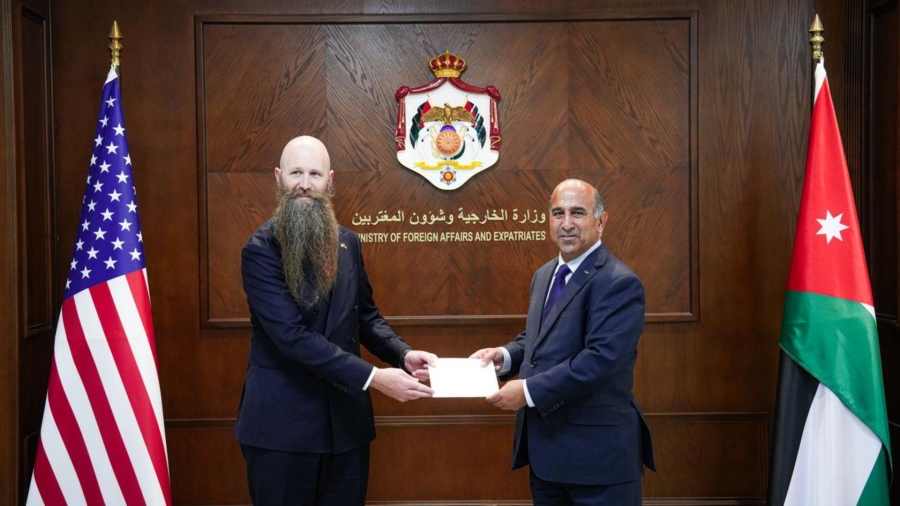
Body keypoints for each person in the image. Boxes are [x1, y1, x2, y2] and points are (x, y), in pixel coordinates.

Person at [234, 136, 437, 505]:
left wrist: (402, 354)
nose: (305, 184)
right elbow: (291, 337)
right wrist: (373, 377)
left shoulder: (349, 242)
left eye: (314, 174)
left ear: (329, 181)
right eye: (296, 173)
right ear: (279, 178)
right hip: (282, 431)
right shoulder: (261, 249)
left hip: (345, 429)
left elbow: (365, 317)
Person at [470, 179, 655, 505]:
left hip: (599, 462)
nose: (566, 223)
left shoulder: (619, 282)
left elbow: (599, 361)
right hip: (548, 456)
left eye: (577, 213)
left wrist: (528, 391)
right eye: (558, 213)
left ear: (601, 221)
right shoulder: (545, 275)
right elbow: (541, 337)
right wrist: (506, 356)